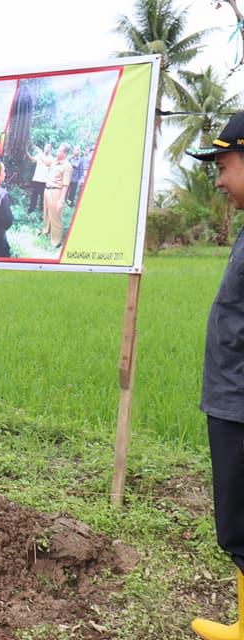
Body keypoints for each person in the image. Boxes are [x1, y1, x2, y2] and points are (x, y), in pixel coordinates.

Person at [187, 111, 244, 640]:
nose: (220, 179)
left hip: (240, 405)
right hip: (230, 399)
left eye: (224, 165)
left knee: (242, 523)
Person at [42, 143, 72, 249]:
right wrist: (39, 151)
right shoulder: (55, 161)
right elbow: (46, 162)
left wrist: (61, 200)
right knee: (46, 212)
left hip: (56, 192)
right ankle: (46, 231)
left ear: (65, 153)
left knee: (56, 217)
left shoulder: (67, 167)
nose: (57, 152)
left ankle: (56, 241)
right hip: (47, 190)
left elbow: (65, 185)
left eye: (60, 151)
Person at [25, 142, 52, 214]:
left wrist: (38, 151)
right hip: (37, 179)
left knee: (43, 197)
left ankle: (41, 211)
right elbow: (32, 159)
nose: (47, 149)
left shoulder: (51, 158)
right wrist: (26, 152)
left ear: (50, 149)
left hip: (44, 181)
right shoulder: (39, 155)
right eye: (46, 147)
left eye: (49, 147)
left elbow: (48, 164)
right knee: (34, 195)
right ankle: (31, 210)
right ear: (44, 147)